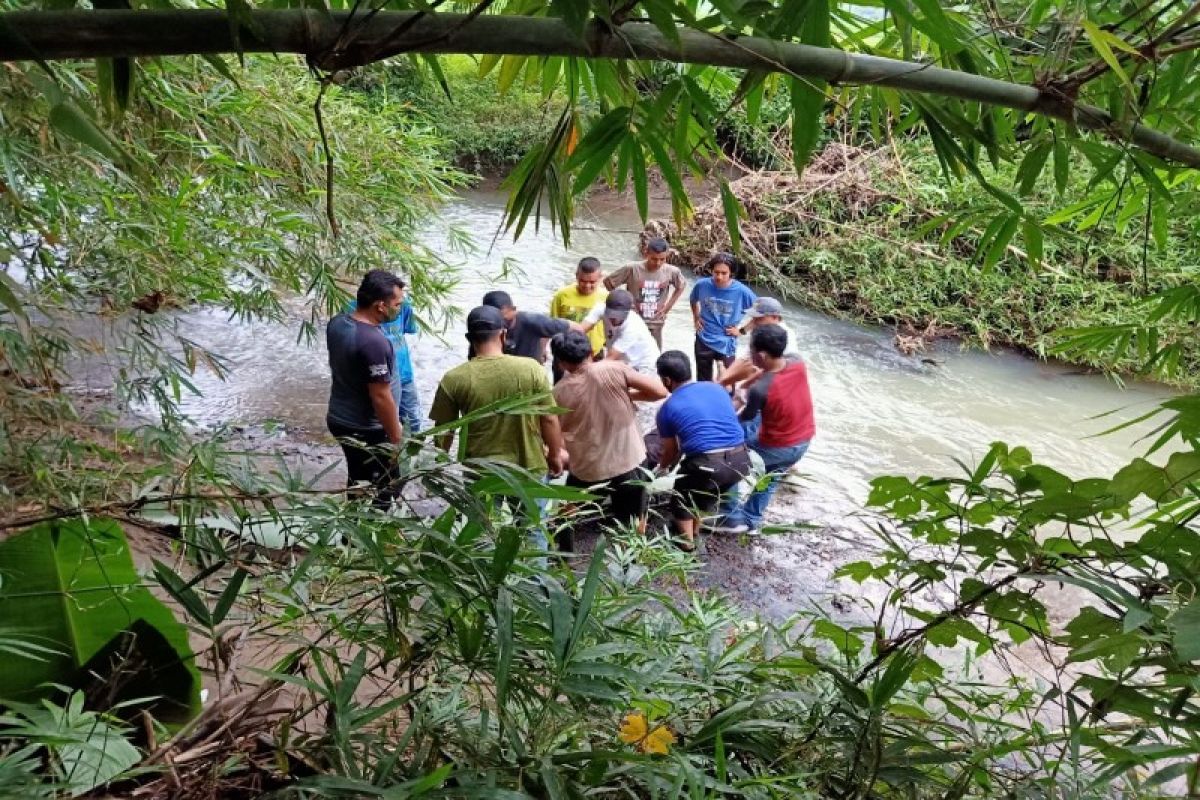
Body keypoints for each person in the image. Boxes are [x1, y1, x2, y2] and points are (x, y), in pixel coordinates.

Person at [430, 305, 567, 550]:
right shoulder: (531, 369)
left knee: (481, 533)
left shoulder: (454, 378)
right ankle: (534, 585)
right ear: (503, 334)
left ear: (468, 339)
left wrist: (439, 467)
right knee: (533, 531)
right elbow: (548, 418)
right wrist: (556, 454)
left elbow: (444, 431)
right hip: (528, 465)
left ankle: (483, 584)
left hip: (481, 471)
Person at [551, 331, 668, 544]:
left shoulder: (557, 393)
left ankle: (563, 558)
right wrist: (629, 395)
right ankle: (630, 566)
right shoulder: (614, 368)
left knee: (566, 513)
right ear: (592, 351)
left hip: (588, 468)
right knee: (634, 519)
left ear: (561, 363)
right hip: (628, 462)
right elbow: (659, 392)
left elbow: (554, 438)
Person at [715, 324, 815, 534]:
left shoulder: (761, 391)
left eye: (751, 351)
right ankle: (751, 520)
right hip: (804, 440)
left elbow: (745, 417)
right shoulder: (797, 362)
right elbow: (765, 374)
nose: (749, 356)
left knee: (731, 461)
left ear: (761, 355)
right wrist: (744, 386)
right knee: (770, 477)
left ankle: (731, 517)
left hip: (778, 445)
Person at [653, 350, 751, 550]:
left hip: (710, 465)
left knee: (680, 499)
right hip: (742, 460)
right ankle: (695, 530)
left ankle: (687, 547)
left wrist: (661, 471)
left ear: (666, 380)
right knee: (702, 494)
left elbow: (671, 452)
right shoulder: (716, 388)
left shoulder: (667, 408)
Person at [326, 270, 406, 507]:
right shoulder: (372, 342)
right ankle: (366, 534)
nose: (400, 309)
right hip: (366, 428)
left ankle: (350, 536)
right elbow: (380, 396)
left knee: (360, 480)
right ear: (380, 306)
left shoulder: (338, 323)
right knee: (386, 486)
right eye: (397, 304)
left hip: (339, 417)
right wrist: (395, 438)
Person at [344, 284, 422, 435]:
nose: (399, 307)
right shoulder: (354, 308)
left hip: (404, 372)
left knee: (413, 421)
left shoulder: (403, 304)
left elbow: (409, 328)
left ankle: (413, 454)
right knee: (384, 418)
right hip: (377, 375)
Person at [603, 237, 686, 349]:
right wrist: (621, 306)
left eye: (662, 259)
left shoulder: (672, 272)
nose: (658, 263)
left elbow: (681, 286)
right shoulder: (632, 269)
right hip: (631, 322)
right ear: (646, 253)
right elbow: (608, 284)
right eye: (654, 259)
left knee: (654, 357)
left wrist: (667, 308)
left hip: (655, 324)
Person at [690, 252, 757, 382]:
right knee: (703, 380)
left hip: (727, 340)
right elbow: (693, 300)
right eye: (716, 272)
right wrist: (696, 318)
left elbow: (762, 313)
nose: (719, 277)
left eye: (724, 273)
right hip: (703, 337)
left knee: (729, 381)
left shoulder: (742, 292)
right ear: (711, 271)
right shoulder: (702, 285)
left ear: (731, 273)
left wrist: (742, 331)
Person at [718, 296, 799, 391]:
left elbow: (774, 369)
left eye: (759, 319)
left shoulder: (786, 335)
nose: (755, 322)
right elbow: (746, 358)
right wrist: (723, 380)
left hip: (776, 384)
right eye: (754, 318)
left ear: (775, 317)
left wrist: (731, 384)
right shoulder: (759, 331)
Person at [479, 290, 578, 363]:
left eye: (504, 318)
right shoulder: (483, 327)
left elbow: (575, 327)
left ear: (514, 310)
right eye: (495, 319)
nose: (500, 323)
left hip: (530, 373)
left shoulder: (533, 321)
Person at [581, 289, 660, 374]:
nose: (615, 320)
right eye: (611, 315)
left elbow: (609, 359)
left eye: (619, 316)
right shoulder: (600, 309)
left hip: (644, 363)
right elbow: (580, 329)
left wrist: (586, 370)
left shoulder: (633, 326)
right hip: (622, 360)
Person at [549, 257, 608, 357]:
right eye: (583, 281)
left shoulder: (606, 298)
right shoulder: (562, 295)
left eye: (592, 282)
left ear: (600, 278)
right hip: (566, 351)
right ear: (576, 276)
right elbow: (553, 324)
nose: (587, 286)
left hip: (594, 353)